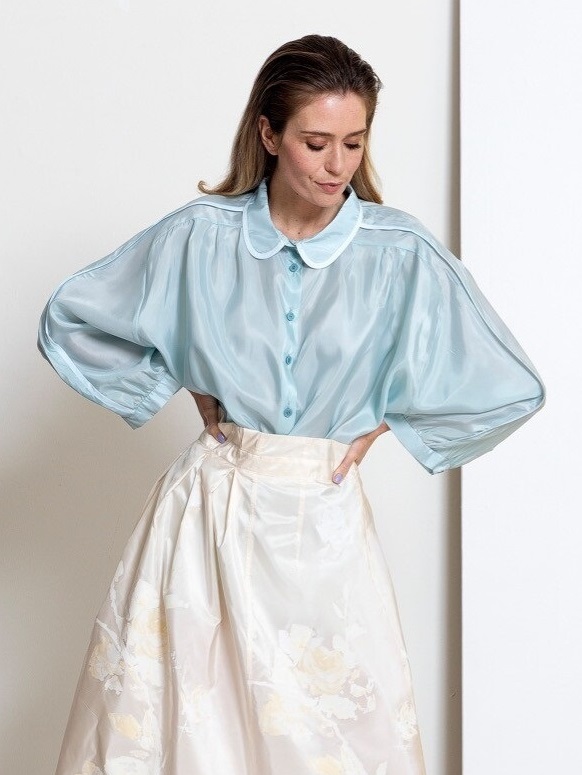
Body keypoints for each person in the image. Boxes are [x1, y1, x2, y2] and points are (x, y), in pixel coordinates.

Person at [38, 34, 545, 775]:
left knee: (331, 739)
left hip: (321, 524)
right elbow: (71, 317)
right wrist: (174, 376)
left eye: (353, 143)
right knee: (192, 735)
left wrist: (392, 420)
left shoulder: (398, 252)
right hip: (208, 518)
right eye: (316, 143)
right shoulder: (201, 237)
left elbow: (509, 383)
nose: (338, 165)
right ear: (269, 135)